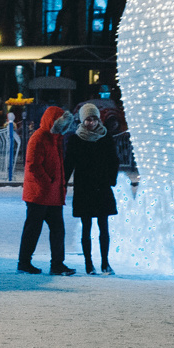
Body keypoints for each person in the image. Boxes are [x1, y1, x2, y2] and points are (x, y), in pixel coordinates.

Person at [17, 106, 76, 275]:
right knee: (34, 229)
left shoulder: (55, 138)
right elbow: (33, 165)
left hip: (51, 194)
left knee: (56, 230)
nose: (62, 127)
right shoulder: (40, 138)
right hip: (39, 194)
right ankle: (25, 262)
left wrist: (58, 185)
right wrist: (49, 182)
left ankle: (56, 264)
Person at [64, 101, 119, 274]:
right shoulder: (76, 139)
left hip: (102, 187)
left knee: (104, 227)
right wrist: (63, 183)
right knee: (86, 227)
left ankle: (105, 262)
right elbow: (69, 163)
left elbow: (113, 160)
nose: (91, 123)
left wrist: (111, 180)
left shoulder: (105, 137)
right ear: (82, 120)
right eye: (88, 119)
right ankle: (89, 263)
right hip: (84, 188)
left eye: (94, 119)